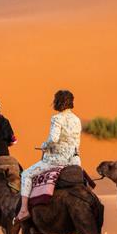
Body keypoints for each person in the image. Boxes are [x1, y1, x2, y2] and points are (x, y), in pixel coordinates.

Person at [15, 89, 82, 221]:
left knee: (26, 174)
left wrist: (45, 145)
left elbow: (53, 139)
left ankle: (23, 210)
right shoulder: (77, 119)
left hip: (56, 160)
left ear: (58, 102)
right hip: (75, 161)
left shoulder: (57, 118)